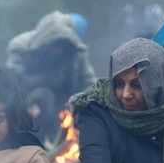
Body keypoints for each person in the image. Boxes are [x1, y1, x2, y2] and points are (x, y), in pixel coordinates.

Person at [6, 11, 97, 141]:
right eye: (53, 44)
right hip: (28, 107)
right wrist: (45, 80)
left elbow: (88, 82)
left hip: (64, 108)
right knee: (44, 95)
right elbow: (12, 81)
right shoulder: (22, 48)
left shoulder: (76, 54)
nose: (56, 50)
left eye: (61, 46)